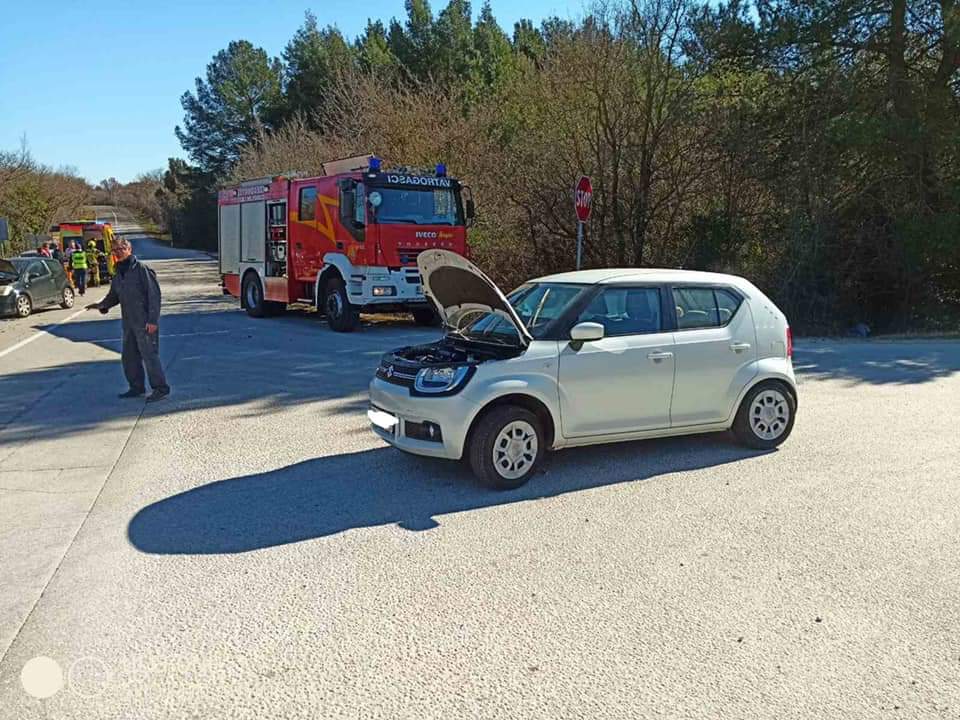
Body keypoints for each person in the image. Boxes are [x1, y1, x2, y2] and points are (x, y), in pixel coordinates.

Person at [85, 238, 170, 402]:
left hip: (144, 322)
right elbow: (114, 296)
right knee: (129, 357)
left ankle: (160, 388)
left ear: (129, 249)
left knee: (149, 356)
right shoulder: (118, 273)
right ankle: (136, 387)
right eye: (114, 250)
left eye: (121, 249)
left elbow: (154, 296)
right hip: (128, 322)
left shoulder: (142, 269)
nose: (118, 252)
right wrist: (102, 305)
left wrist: (153, 320)